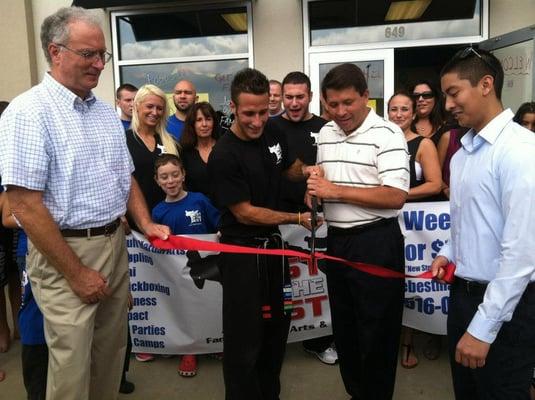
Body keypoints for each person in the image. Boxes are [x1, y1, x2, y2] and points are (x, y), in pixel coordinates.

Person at [0, 7, 170, 400]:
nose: (98, 64)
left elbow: (124, 176)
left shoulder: (106, 114)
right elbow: (24, 206)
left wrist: (145, 222)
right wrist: (76, 273)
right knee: (72, 368)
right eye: (88, 54)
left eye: (102, 55)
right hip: (66, 252)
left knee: (110, 357)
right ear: (55, 51)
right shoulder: (29, 112)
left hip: (114, 244)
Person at [432, 47, 535, 400]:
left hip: (508, 307)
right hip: (462, 297)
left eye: (453, 92)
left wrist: (484, 327)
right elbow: (469, 220)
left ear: (486, 84)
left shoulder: (522, 151)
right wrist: (449, 251)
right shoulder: (462, 155)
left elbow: (523, 252)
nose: (447, 105)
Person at [208, 68, 316, 400]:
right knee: (244, 341)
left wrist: (310, 173)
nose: (257, 121)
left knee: (276, 331)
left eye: (264, 112)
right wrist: (298, 216)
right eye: (249, 114)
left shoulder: (274, 133)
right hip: (242, 254)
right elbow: (246, 213)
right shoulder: (224, 154)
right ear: (233, 107)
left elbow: (288, 169)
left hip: (274, 252)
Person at [307, 63, 409, 400]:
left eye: (348, 102)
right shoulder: (325, 132)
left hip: (376, 241)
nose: (340, 112)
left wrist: (335, 191)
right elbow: (323, 185)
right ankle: (356, 394)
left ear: (366, 96)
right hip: (337, 243)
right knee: (346, 330)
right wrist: (315, 194)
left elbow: (395, 196)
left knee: (377, 333)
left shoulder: (388, 133)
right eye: (332, 104)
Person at [271, 71, 337, 365]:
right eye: (289, 97)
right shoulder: (270, 126)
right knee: (280, 284)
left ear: (310, 96)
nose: (294, 103)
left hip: (316, 219)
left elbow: (333, 168)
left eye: (300, 96)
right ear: (281, 97)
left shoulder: (326, 127)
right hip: (279, 218)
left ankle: (319, 340)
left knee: (315, 284)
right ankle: (278, 339)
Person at [152, 153, 220, 377]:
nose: (170, 181)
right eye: (164, 177)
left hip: (207, 268)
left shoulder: (199, 200)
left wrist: (221, 234)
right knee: (184, 309)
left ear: (183, 175)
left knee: (209, 304)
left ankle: (213, 342)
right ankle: (189, 351)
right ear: (157, 181)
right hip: (177, 272)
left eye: (174, 175)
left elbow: (217, 225)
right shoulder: (158, 212)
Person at [388, 91, 442, 369]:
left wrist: (399, 195)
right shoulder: (381, 140)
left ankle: (407, 341)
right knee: (386, 280)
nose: (399, 114)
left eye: (404, 109)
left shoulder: (423, 144)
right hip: (384, 222)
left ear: (413, 113)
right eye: (394, 109)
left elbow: (435, 183)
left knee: (412, 280)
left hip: (415, 224)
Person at [125, 84, 179, 364]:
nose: (155, 112)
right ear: (137, 107)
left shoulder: (168, 141)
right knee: (142, 285)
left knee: (169, 281)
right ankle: (145, 338)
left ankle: (176, 336)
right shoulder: (124, 140)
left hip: (166, 220)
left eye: (160, 108)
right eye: (150, 106)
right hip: (135, 224)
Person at [180, 102, 219, 198]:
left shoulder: (224, 148)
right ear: (192, 124)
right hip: (197, 209)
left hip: (226, 209)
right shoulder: (185, 152)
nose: (204, 124)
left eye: (208, 119)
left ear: (214, 122)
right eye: (199, 120)